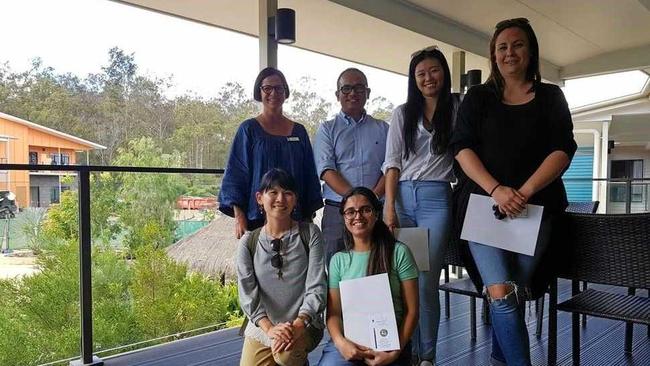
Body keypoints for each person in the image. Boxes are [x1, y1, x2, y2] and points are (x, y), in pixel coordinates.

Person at [450, 18, 577, 366]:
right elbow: (461, 148)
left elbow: (563, 148)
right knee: (501, 293)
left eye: (517, 44)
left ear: (531, 50)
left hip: (537, 210)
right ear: (493, 55)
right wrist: (497, 190)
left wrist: (521, 192)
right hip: (483, 208)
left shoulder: (551, 96)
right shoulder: (478, 98)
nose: (510, 52)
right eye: (502, 47)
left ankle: (498, 360)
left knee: (513, 293)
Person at [382, 46, 460, 366]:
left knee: (427, 282)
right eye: (421, 74)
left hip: (436, 198)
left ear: (444, 73)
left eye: (434, 71)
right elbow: (392, 163)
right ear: (413, 80)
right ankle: (408, 352)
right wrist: (389, 207)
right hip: (402, 198)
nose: (428, 78)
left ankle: (426, 355)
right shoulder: (403, 113)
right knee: (404, 279)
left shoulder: (458, 107)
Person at [318, 186, 418, 366]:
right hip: (349, 343)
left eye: (365, 209)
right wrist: (341, 344)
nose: (358, 216)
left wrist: (394, 352)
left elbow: (412, 311)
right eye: (350, 212)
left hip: (389, 344)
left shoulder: (399, 252)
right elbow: (333, 314)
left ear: (376, 214)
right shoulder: (338, 261)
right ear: (343, 217)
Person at [219, 67, 323, 239]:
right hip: (257, 220)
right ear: (259, 92)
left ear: (285, 92)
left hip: (295, 221)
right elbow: (236, 173)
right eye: (267, 88)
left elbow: (309, 175)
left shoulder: (299, 132)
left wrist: (308, 216)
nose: (273, 92)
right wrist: (239, 216)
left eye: (279, 88)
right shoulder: (248, 129)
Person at [237, 168, 327, 366]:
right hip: (264, 326)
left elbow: (317, 286)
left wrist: (298, 323)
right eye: (273, 192)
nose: (281, 198)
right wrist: (269, 329)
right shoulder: (248, 242)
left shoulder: (310, 234)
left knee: (286, 356)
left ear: (295, 200)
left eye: (288, 193)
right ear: (260, 198)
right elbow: (247, 295)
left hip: (304, 322)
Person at [314, 68, 389, 265]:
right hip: (337, 214)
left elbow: (390, 168)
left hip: (375, 213)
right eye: (346, 88)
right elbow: (327, 171)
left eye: (358, 88)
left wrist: (368, 202)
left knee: (376, 269)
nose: (353, 93)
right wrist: (357, 201)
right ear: (337, 94)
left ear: (368, 93)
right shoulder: (327, 129)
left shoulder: (383, 129)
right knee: (336, 272)